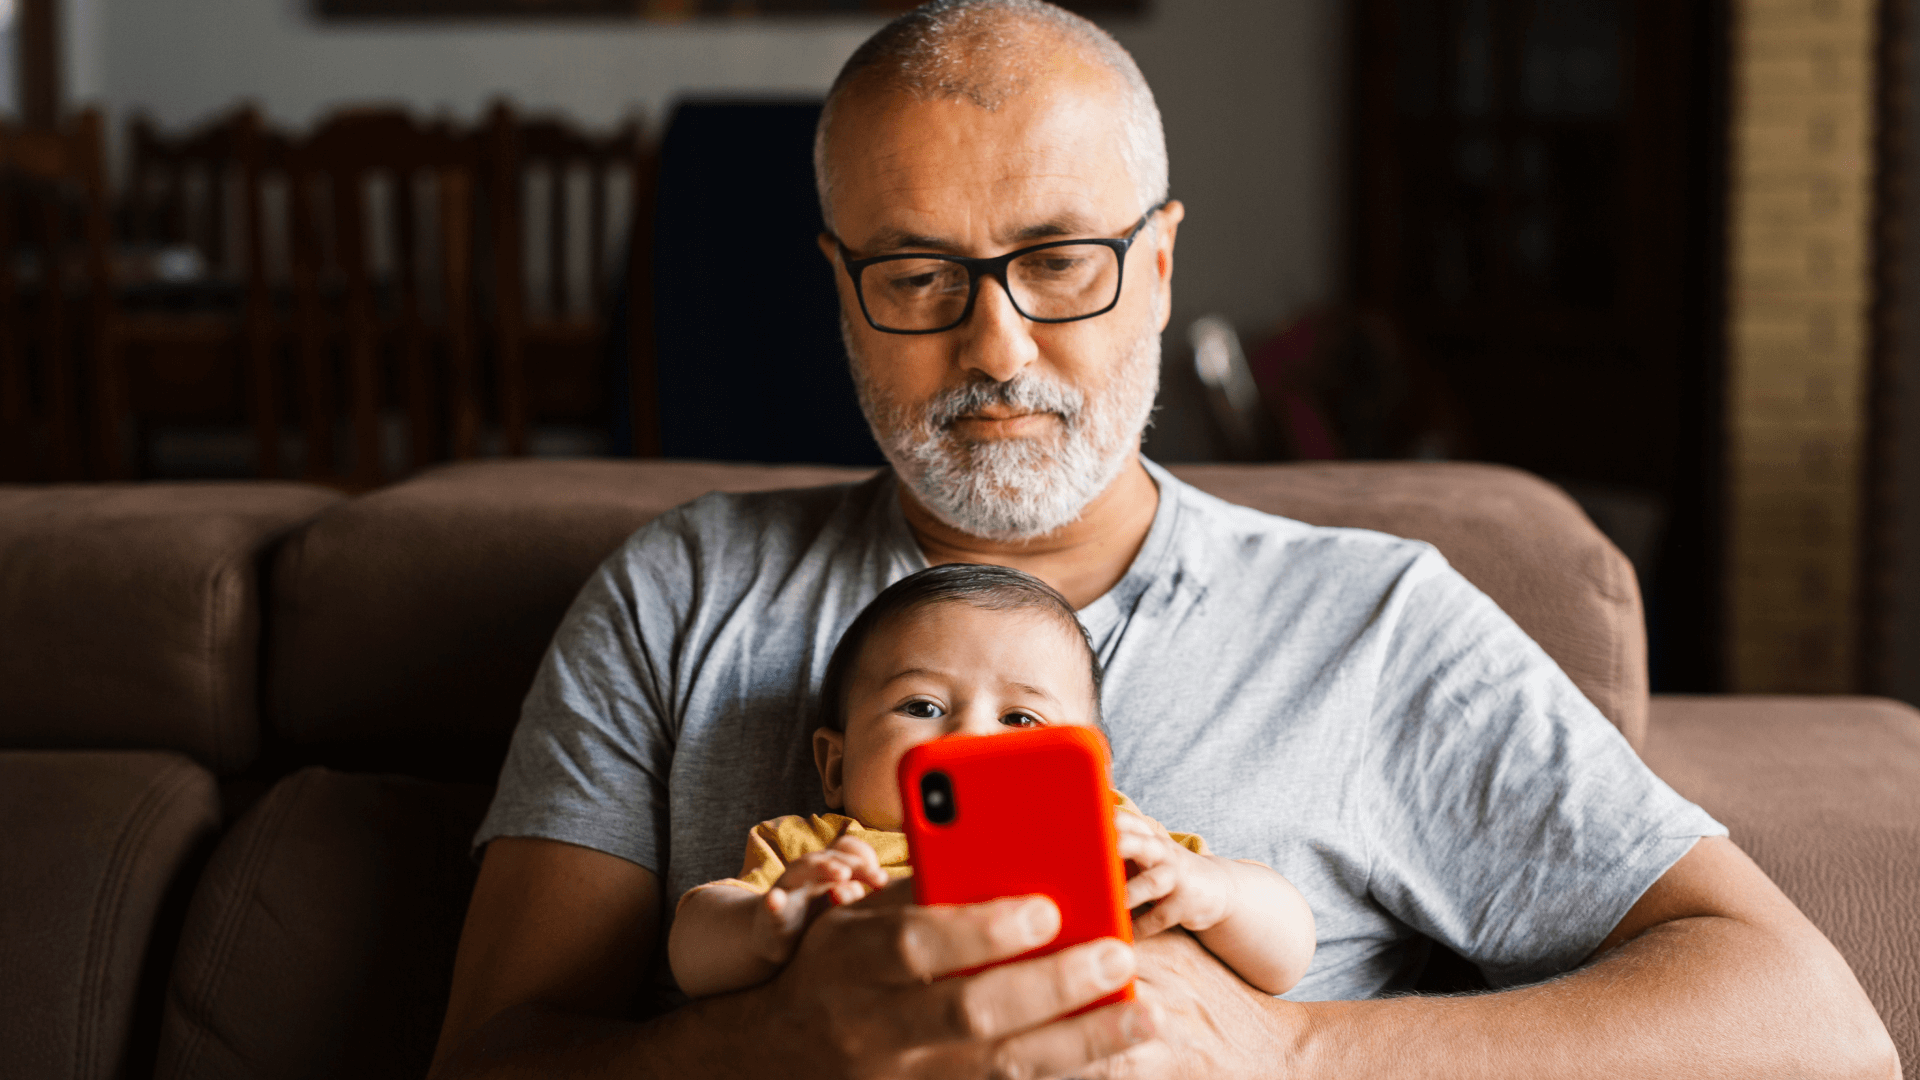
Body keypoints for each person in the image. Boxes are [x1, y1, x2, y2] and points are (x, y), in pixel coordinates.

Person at [430, 2, 1897, 1077]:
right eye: (917, 273)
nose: (994, 344)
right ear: (838, 284)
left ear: (1161, 263)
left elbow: (1813, 1027)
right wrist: (778, 1048)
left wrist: (1289, 1050)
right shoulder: (681, 593)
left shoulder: (1372, 622)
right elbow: (485, 1060)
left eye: (1058, 260)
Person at [666, 563, 1316, 1000]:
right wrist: (766, 922)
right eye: (922, 707)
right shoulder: (823, 854)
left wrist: (1218, 891)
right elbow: (692, 946)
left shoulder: (1116, 841)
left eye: (1020, 717)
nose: (972, 740)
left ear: (1089, 769)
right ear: (835, 767)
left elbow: (1288, 954)